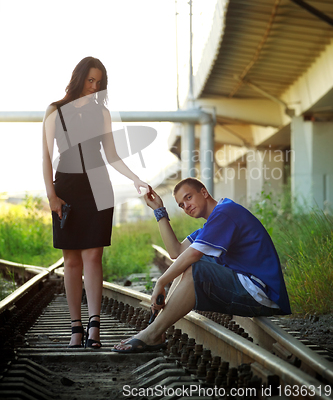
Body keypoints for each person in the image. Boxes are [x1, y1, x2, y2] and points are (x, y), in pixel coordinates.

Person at [113, 177, 291, 353]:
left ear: (204, 192)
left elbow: (193, 254)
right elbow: (177, 252)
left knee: (195, 266)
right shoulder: (213, 223)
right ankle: (154, 330)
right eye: (181, 205)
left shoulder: (226, 213)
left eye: (188, 197)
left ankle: (153, 332)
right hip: (251, 288)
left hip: (261, 294)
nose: (186, 206)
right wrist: (159, 210)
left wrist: (160, 282)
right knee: (192, 263)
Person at [42, 56, 149, 349]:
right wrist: (51, 194)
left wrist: (135, 178)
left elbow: (112, 155)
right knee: (71, 260)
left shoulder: (102, 113)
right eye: (90, 80)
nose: (94, 86)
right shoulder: (55, 110)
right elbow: (46, 156)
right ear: (78, 78)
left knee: (93, 258)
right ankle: (75, 327)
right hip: (66, 187)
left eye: (99, 82)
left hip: (99, 187)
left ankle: (94, 327)